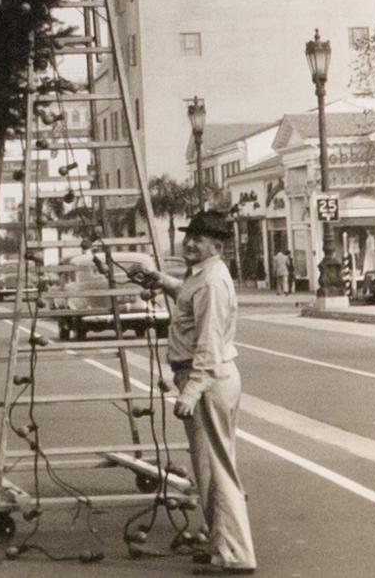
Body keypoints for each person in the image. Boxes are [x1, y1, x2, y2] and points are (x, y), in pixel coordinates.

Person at [131, 211, 256, 574]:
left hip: (208, 380)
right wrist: (163, 281)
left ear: (216, 246)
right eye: (189, 236)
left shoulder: (213, 282)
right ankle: (222, 545)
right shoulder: (202, 276)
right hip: (206, 379)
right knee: (208, 468)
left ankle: (235, 555)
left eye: (198, 239)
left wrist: (190, 393)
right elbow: (189, 298)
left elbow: (209, 345)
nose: (189, 243)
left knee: (217, 470)